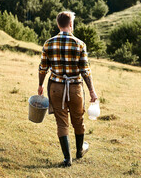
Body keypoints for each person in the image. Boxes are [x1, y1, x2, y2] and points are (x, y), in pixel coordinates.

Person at [38, 11, 98, 167]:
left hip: (56, 87)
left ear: (58, 25)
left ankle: (67, 159)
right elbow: (85, 70)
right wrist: (91, 90)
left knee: (62, 123)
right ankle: (79, 151)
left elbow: (43, 68)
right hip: (75, 88)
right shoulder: (80, 44)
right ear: (71, 24)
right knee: (78, 120)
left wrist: (40, 85)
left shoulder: (48, 43)